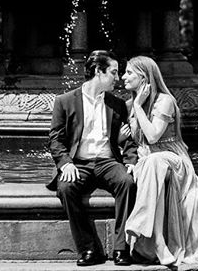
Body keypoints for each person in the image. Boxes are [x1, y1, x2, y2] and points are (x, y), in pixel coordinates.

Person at [48, 50, 137, 266]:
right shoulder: (64, 101)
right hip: (79, 163)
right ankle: (88, 249)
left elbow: (128, 140)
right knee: (66, 189)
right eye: (114, 73)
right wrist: (65, 163)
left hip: (108, 162)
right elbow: (55, 140)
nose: (118, 78)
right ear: (98, 71)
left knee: (127, 182)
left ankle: (121, 248)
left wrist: (131, 161)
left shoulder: (117, 104)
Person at [122, 56, 198, 266]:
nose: (123, 77)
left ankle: (140, 225)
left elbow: (153, 136)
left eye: (129, 72)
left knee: (155, 162)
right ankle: (159, 244)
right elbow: (133, 143)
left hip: (173, 158)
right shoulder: (127, 105)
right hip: (147, 162)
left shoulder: (165, 100)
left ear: (144, 77)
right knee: (151, 164)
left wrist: (137, 105)